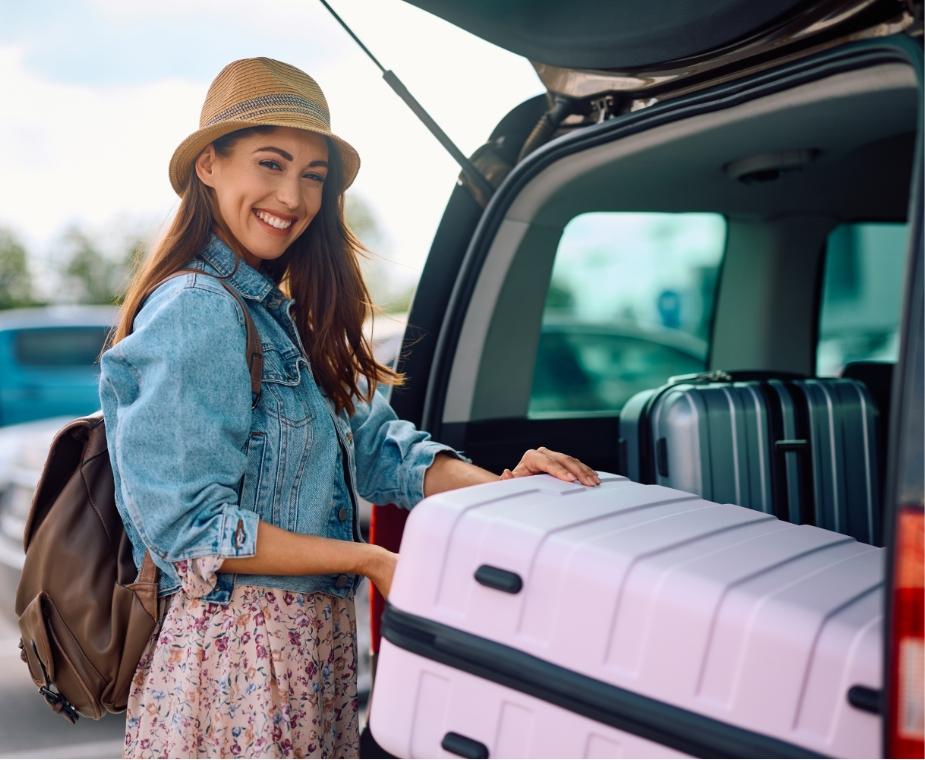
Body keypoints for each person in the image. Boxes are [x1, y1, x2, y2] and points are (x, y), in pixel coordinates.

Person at [99, 56, 600, 759]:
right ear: (208, 165)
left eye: (312, 174)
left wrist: (504, 491)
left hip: (308, 652)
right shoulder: (196, 309)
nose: (293, 197)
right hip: (235, 666)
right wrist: (369, 559)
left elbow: (378, 448)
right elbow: (191, 528)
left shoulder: (283, 315)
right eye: (271, 164)